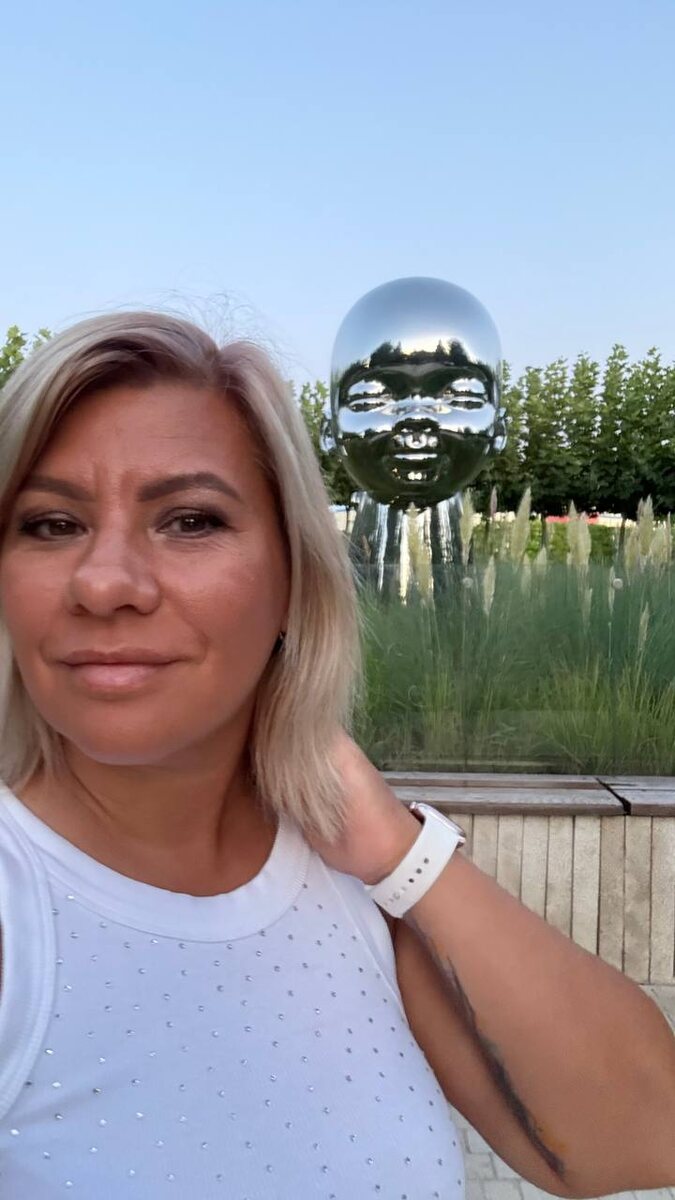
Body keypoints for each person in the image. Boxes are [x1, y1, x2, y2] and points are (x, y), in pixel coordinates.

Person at [0, 312, 672, 1198]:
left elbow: (638, 1138)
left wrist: (400, 853)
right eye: (51, 524)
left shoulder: (353, 888)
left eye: (190, 520)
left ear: (294, 576)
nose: (103, 582)